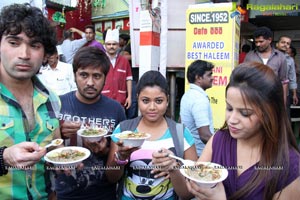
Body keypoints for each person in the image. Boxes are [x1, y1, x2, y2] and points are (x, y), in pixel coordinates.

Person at [186, 62, 300, 200]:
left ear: (269, 113)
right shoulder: (218, 140)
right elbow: (193, 184)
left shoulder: (289, 167)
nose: (232, 119)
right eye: (229, 108)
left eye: (245, 113)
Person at [0, 3, 61, 199]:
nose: (24, 55)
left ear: (45, 53)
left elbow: (52, 158)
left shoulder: (52, 99)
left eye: (34, 45)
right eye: (14, 42)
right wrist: (4, 157)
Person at [106, 70, 197, 199]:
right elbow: (111, 178)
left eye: (159, 101)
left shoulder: (181, 133)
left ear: (167, 100)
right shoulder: (123, 130)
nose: (152, 107)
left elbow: (189, 193)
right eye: (145, 100)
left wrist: (174, 169)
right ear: (137, 98)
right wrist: (120, 158)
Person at [55, 46, 126, 200]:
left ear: (105, 78)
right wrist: (58, 133)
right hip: (62, 194)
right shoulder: (57, 105)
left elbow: (117, 167)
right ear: (74, 76)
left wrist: (106, 150)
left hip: (103, 194)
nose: (90, 82)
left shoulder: (116, 110)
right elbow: (43, 150)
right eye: (84, 75)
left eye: (97, 76)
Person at [244, 26, 288, 105]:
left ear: (269, 40)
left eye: (261, 41)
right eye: (256, 42)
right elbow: (244, 79)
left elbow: (284, 81)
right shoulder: (249, 56)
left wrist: (283, 102)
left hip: (273, 99)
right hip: (254, 99)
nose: (258, 44)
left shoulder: (280, 57)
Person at [180, 60, 215, 156]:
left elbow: (180, 122)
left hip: (190, 151)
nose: (212, 78)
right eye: (209, 75)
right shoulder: (199, 99)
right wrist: (223, 150)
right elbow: (204, 135)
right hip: (201, 154)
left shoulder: (188, 95)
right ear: (198, 78)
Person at [102, 29, 133, 111]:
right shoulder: (99, 60)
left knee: (120, 123)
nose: (111, 46)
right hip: (103, 99)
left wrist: (129, 97)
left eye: (114, 44)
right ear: (105, 46)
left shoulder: (124, 61)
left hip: (120, 100)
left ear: (118, 45)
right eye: (109, 44)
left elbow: (128, 79)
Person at [276, 35, 298, 115]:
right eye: (283, 42)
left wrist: (294, 94)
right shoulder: (269, 56)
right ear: (277, 44)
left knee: (285, 118)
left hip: (285, 94)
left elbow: (292, 78)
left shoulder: (290, 60)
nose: (285, 45)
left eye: (288, 43)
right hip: (269, 93)